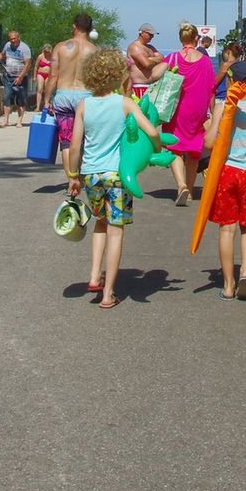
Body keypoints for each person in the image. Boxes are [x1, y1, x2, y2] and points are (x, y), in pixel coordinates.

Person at [66, 49, 162, 310]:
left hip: (91, 175)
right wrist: (156, 147)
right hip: (116, 176)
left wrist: (73, 176)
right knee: (115, 231)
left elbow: (76, 145)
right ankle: (108, 293)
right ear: (118, 74)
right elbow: (152, 130)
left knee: (100, 222)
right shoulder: (125, 103)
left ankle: (95, 275)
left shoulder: (84, 105)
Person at [204, 61, 246, 300]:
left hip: (227, 174)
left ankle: (228, 284)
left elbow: (209, 143)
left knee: (227, 229)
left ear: (232, 82)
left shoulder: (223, 108)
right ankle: (245, 270)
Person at [163, 21, 216, 206]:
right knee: (194, 149)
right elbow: (211, 89)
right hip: (197, 109)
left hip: (177, 108)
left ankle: (181, 185)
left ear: (180, 38)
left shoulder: (172, 59)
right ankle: (191, 190)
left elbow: (160, 79)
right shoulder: (206, 61)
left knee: (175, 146)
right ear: (196, 38)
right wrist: (211, 113)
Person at [45, 13, 98, 151]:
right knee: (82, 140)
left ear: (74, 26)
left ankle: (70, 173)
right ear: (90, 28)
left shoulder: (60, 47)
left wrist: (46, 100)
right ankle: (79, 171)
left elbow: (53, 76)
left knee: (66, 140)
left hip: (63, 95)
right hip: (86, 97)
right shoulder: (95, 51)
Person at [125, 23, 167, 98]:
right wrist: (154, 60)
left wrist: (150, 59)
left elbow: (163, 58)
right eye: (150, 34)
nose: (152, 37)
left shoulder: (150, 47)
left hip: (150, 86)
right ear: (142, 33)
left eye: (152, 35)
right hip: (139, 86)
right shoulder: (135, 47)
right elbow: (146, 64)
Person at [34, 44, 53, 110]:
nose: (46, 53)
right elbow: (36, 67)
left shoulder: (52, 57)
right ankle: (37, 107)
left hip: (49, 75)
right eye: (45, 51)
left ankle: (46, 105)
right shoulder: (40, 56)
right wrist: (34, 76)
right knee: (40, 89)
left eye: (48, 52)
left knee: (47, 90)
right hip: (41, 73)